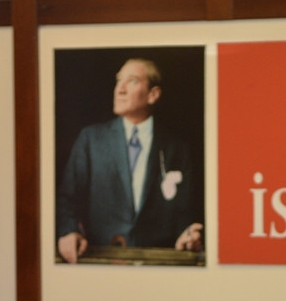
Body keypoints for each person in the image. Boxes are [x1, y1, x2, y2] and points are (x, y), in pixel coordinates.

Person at [55, 57, 202, 263]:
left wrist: (187, 237)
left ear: (153, 95)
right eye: (118, 80)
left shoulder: (176, 149)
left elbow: (183, 215)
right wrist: (68, 231)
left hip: (156, 264)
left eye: (132, 81)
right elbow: (67, 199)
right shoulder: (91, 140)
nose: (120, 89)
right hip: (100, 261)